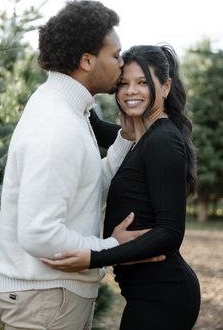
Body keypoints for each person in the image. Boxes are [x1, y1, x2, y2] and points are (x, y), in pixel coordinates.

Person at [0, 0, 162, 330]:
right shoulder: (58, 124)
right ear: (86, 60)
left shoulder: (66, 110)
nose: (122, 64)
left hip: (50, 296)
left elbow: (87, 188)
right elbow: (39, 233)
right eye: (115, 55)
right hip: (45, 298)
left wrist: (124, 139)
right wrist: (111, 247)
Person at [41, 44, 201, 330]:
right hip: (147, 295)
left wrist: (95, 256)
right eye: (123, 83)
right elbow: (96, 125)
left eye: (142, 82)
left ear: (165, 87)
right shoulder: (141, 137)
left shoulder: (163, 141)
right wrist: (71, 68)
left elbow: (170, 232)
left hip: (164, 297)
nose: (130, 91)